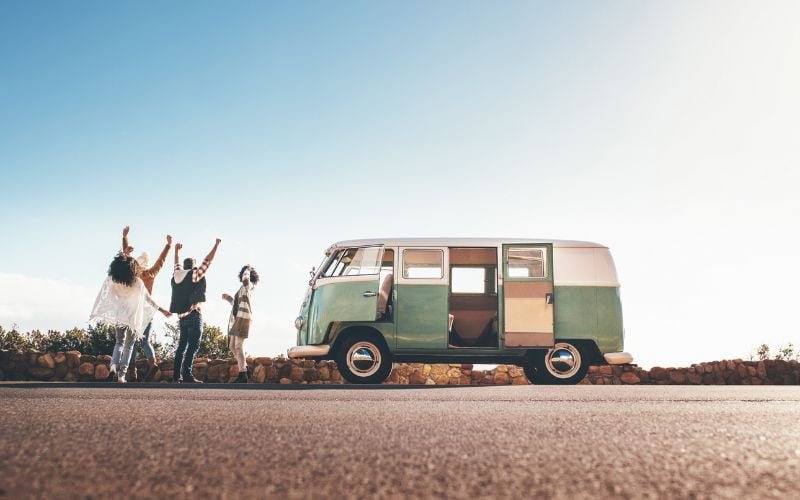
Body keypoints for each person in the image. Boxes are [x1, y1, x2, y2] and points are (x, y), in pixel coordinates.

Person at [90, 253, 171, 383]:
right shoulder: (137, 282)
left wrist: (124, 253)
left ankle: (112, 367)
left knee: (119, 343)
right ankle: (121, 375)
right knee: (129, 346)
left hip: (120, 316)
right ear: (133, 269)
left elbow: (108, 290)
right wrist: (162, 310)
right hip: (133, 319)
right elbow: (148, 299)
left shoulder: (114, 281)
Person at [120, 226, 172, 382]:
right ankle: (152, 364)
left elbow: (126, 256)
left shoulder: (134, 273)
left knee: (131, 341)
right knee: (145, 340)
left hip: (135, 310)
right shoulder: (151, 273)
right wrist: (168, 245)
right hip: (149, 310)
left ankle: (132, 371)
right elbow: (161, 261)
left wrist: (124, 237)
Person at [170, 238, 221, 383]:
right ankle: (187, 375)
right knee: (192, 346)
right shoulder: (193, 275)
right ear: (193, 266)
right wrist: (216, 245)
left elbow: (176, 263)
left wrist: (176, 250)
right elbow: (207, 261)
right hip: (193, 315)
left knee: (181, 348)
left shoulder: (176, 274)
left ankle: (176, 376)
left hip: (181, 318)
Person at [222, 265, 260, 383]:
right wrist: (228, 298)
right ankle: (245, 368)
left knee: (238, 346)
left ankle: (242, 374)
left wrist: (247, 270)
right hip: (237, 318)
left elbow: (245, 280)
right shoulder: (242, 288)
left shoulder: (249, 285)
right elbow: (237, 304)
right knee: (232, 346)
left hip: (244, 318)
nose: (244, 274)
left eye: (246, 273)